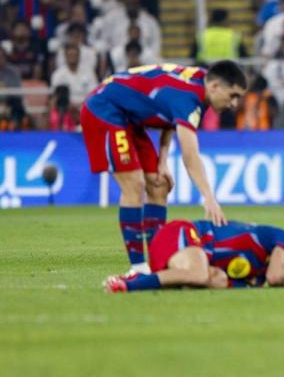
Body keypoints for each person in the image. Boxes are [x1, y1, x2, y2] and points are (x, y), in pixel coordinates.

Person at [81, 61, 247, 275]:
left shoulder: (199, 83)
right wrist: (209, 196)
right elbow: (190, 156)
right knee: (134, 185)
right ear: (215, 86)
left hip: (129, 118)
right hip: (105, 110)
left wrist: (163, 161)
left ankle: (157, 263)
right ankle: (138, 267)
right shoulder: (190, 99)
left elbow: (169, 116)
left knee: (159, 186)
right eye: (233, 95)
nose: (233, 104)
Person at [104, 219, 284, 292]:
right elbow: (275, 277)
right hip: (183, 233)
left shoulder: (255, 280)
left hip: (181, 260)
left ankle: (143, 279)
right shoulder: (282, 238)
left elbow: (219, 280)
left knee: (211, 278)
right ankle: (129, 285)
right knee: (200, 274)